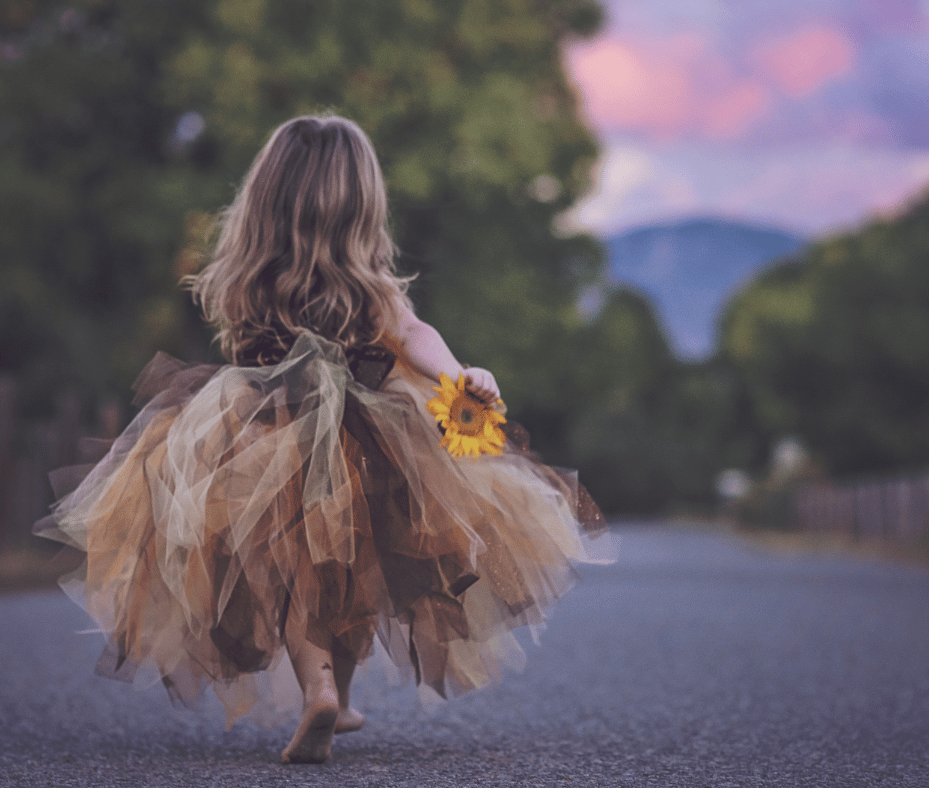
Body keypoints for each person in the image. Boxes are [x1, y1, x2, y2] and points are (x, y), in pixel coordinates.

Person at [36, 114, 612, 764]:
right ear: (362, 206)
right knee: (353, 573)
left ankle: (321, 690)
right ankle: (334, 689)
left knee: (290, 572)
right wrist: (459, 376)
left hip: (255, 435)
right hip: (368, 438)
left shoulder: (247, 279)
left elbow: (243, 351)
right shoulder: (367, 286)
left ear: (264, 202)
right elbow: (416, 336)